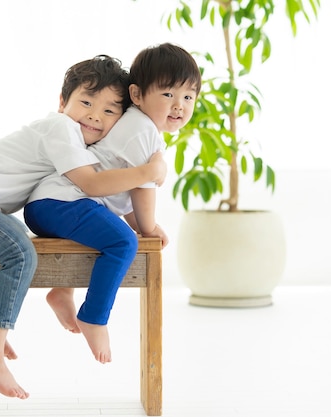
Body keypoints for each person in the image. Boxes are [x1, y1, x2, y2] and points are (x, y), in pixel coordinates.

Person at [0, 55, 168, 399]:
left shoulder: (77, 141)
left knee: (13, 239)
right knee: (20, 254)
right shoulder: (61, 128)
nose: (95, 115)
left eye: (110, 111)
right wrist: (148, 172)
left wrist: (139, 221)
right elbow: (92, 186)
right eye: (86, 102)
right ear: (61, 102)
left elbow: (104, 194)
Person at [23, 43, 201, 364]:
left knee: (109, 231)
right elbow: (143, 188)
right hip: (60, 202)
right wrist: (145, 228)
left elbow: (123, 191)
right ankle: (94, 316)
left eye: (188, 97)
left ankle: (61, 291)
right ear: (136, 94)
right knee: (123, 242)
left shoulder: (137, 125)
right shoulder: (142, 131)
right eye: (167, 95)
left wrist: (144, 223)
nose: (178, 106)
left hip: (53, 204)